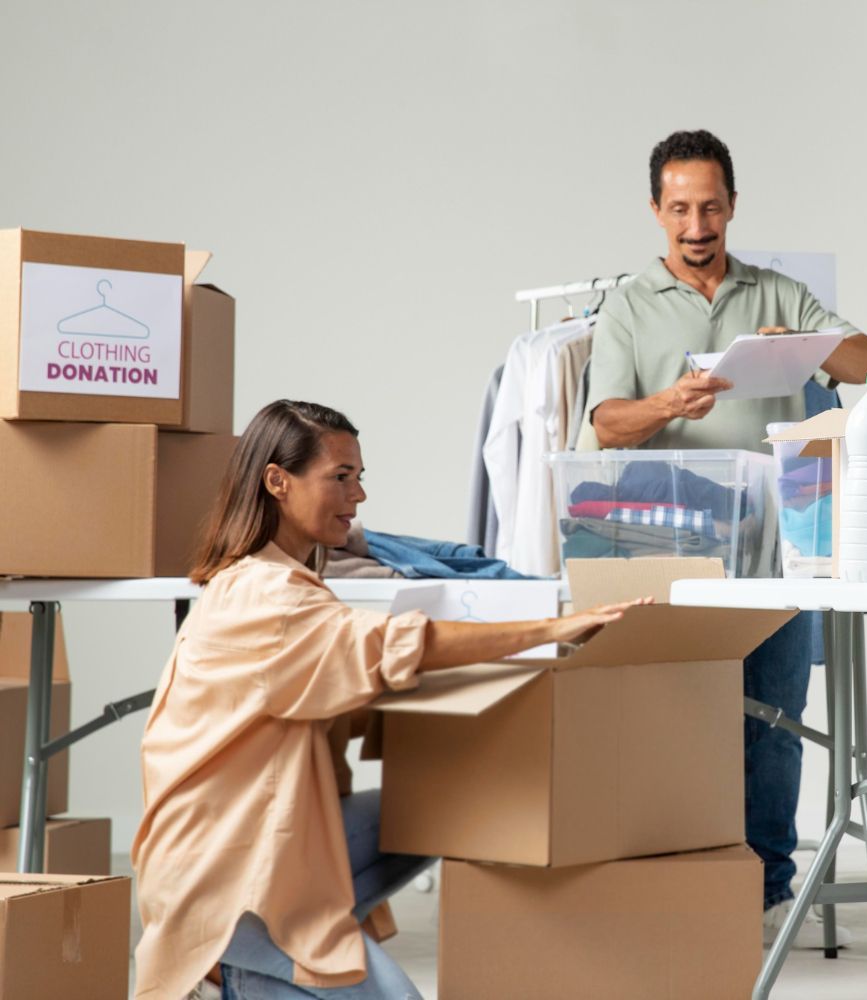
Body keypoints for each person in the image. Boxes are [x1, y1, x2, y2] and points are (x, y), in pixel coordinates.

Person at [132, 400, 644, 1000]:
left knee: (448, 800)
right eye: (340, 477)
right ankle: (232, 966)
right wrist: (551, 628)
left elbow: (361, 669)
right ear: (277, 481)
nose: (358, 495)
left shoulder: (290, 582)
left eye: (360, 477)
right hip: (226, 875)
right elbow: (397, 644)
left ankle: (262, 963)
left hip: (262, 830)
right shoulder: (264, 597)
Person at [581, 129, 867, 947]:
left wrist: (804, 347)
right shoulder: (627, 305)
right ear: (656, 210)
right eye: (680, 208)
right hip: (673, 550)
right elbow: (605, 425)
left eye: (711, 206)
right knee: (675, 717)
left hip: (787, 548)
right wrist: (665, 406)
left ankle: (766, 889)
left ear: (733, 206)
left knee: (777, 720)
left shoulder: (777, 293)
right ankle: (678, 883)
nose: (696, 224)